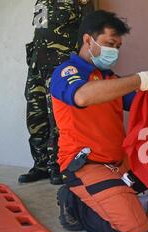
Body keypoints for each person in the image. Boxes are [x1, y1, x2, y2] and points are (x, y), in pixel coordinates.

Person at [50, 10, 148, 232]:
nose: (114, 51)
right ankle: (73, 204)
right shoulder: (66, 73)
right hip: (88, 166)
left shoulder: (110, 80)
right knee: (134, 228)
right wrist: (138, 79)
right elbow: (82, 96)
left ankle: (119, 193)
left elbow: (141, 106)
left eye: (118, 46)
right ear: (87, 40)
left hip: (119, 162)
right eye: (109, 44)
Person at [20, 0, 95, 185]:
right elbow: (39, 30)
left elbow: (88, 33)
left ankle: (58, 166)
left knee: (58, 118)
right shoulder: (42, 1)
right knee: (35, 117)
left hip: (61, 67)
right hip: (38, 65)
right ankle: (41, 166)